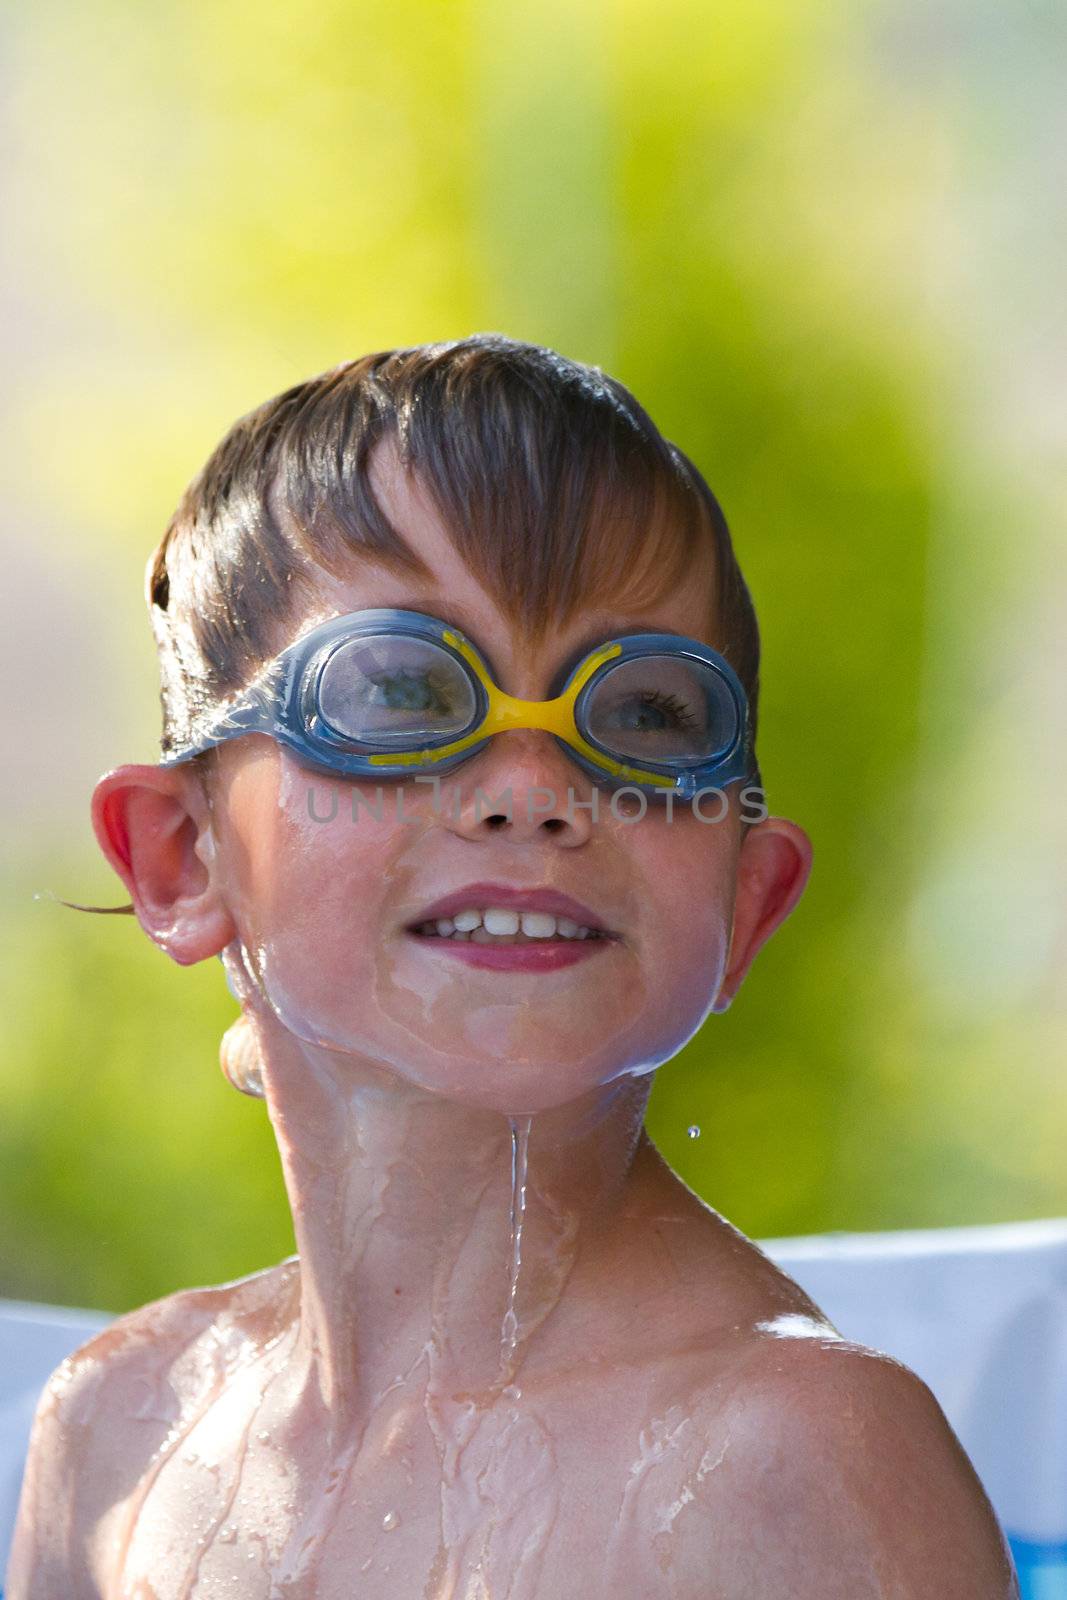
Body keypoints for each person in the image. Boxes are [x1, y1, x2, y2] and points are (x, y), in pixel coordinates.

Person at [6, 336, 1018, 1598]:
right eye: (398, 693)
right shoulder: (119, 1435)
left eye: (646, 713)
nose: (534, 791)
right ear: (181, 859)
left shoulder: (788, 1464)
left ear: (745, 906)